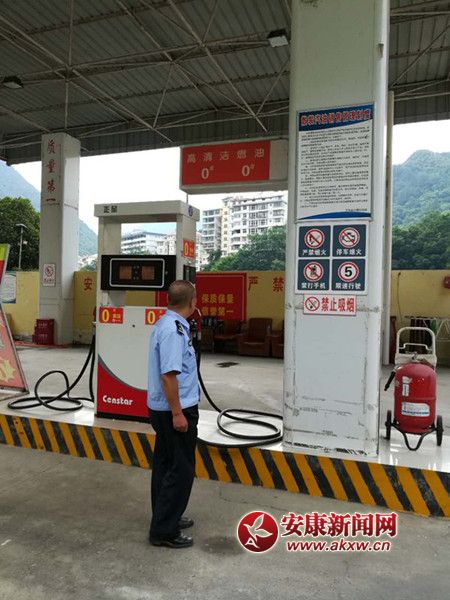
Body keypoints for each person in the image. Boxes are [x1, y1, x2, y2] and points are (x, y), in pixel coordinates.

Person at [147, 280, 199, 549]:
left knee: (166, 465)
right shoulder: (173, 330)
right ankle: (164, 531)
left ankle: (166, 516)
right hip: (174, 410)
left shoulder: (167, 324)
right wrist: (178, 413)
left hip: (165, 408)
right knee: (180, 469)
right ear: (192, 302)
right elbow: (169, 376)